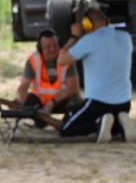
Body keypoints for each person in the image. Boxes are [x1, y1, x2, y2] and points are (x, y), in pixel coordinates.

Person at [58, 8, 135, 142]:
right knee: (111, 117)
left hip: (97, 103)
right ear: (107, 21)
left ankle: (98, 124)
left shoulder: (89, 40)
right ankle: (120, 126)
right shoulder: (126, 38)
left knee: (66, 128)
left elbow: (61, 60)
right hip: (124, 103)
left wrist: (74, 36)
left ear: (87, 23)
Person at [14, 29, 82, 117]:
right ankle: (41, 122)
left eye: (55, 45)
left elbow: (74, 88)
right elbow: (23, 86)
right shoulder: (33, 60)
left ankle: (68, 124)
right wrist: (20, 102)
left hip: (62, 100)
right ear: (40, 49)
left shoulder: (66, 58)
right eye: (48, 46)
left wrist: (53, 101)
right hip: (41, 102)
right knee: (28, 101)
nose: (53, 49)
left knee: (76, 102)